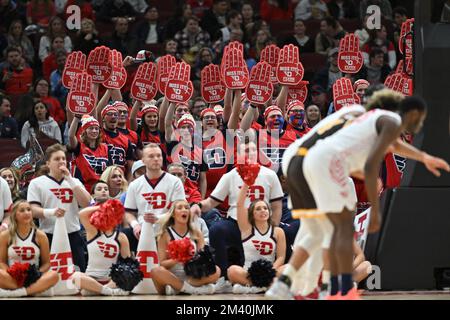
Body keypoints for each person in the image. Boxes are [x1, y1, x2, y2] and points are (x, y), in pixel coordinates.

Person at [277, 93, 449, 300]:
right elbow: (371, 164)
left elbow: (390, 147)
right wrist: (376, 210)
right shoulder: (389, 120)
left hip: (299, 162)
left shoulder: (359, 116)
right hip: (323, 165)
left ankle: (294, 285)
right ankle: (327, 288)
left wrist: (423, 157)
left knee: (316, 231)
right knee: (334, 229)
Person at [190, 137, 284, 277]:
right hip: (235, 222)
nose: (251, 153)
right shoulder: (230, 176)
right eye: (246, 151)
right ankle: (222, 275)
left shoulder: (270, 175)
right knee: (217, 230)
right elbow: (211, 202)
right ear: (238, 155)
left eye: (253, 150)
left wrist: (273, 227)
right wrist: (197, 205)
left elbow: (276, 206)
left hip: (262, 223)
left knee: (285, 233)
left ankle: (273, 273)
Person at [27, 144, 92, 272]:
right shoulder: (37, 183)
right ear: (48, 163)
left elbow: (86, 203)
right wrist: (52, 212)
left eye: (63, 158)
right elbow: (32, 210)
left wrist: (69, 179)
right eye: (57, 159)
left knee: (78, 274)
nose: (62, 161)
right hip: (48, 235)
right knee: (49, 274)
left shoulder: (75, 182)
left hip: (73, 235)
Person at [124, 144, 185, 253]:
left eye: (159, 156)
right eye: (151, 156)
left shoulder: (175, 182)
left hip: (168, 227)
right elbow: (128, 212)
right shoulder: (135, 185)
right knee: (123, 235)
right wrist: (135, 226)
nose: (156, 159)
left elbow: (180, 210)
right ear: (143, 160)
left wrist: (157, 219)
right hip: (142, 229)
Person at [151, 200, 221, 295]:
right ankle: (192, 290)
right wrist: (177, 259)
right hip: (172, 276)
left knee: (216, 270)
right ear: (173, 214)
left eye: (187, 208)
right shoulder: (165, 234)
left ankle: (180, 289)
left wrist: (193, 257)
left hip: (193, 277)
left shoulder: (197, 233)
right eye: (179, 208)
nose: (184, 210)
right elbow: (162, 263)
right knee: (156, 271)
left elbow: (205, 260)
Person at [228, 182, 286, 294]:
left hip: (271, 272)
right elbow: (240, 204)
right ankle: (266, 287)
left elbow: (281, 257)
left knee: (287, 268)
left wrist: (270, 271)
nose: (263, 210)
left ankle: (251, 288)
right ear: (252, 214)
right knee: (232, 271)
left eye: (265, 208)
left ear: (269, 212)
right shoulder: (246, 229)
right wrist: (246, 182)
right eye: (258, 209)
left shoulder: (278, 232)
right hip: (248, 273)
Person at [70, 201, 131, 296]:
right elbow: (82, 214)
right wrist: (102, 207)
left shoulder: (121, 237)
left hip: (111, 279)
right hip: (91, 278)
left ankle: (101, 290)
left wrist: (120, 278)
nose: (108, 215)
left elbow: (127, 263)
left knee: (127, 273)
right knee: (75, 276)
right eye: (105, 212)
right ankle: (107, 291)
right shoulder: (93, 231)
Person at [0, 200, 59, 298]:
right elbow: (2, 262)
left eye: (28, 210)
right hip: (12, 277)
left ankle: (16, 293)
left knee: (54, 275)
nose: (26, 213)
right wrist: (10, 273)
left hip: (34, 277)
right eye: (22, 210)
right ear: (15, 215)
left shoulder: (40, 235)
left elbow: (47, 263)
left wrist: (37, 273)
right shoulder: (5, 235)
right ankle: (34, 290)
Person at [68, 115, 111, 193]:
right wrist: (77, 117)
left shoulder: (105, 148)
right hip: (84, 189)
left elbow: (110, 170)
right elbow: (71, 136)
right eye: (91, 128)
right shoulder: (79, 147)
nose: (94, 131)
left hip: (102, 189)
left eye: (96, 128)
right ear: (84, 131)